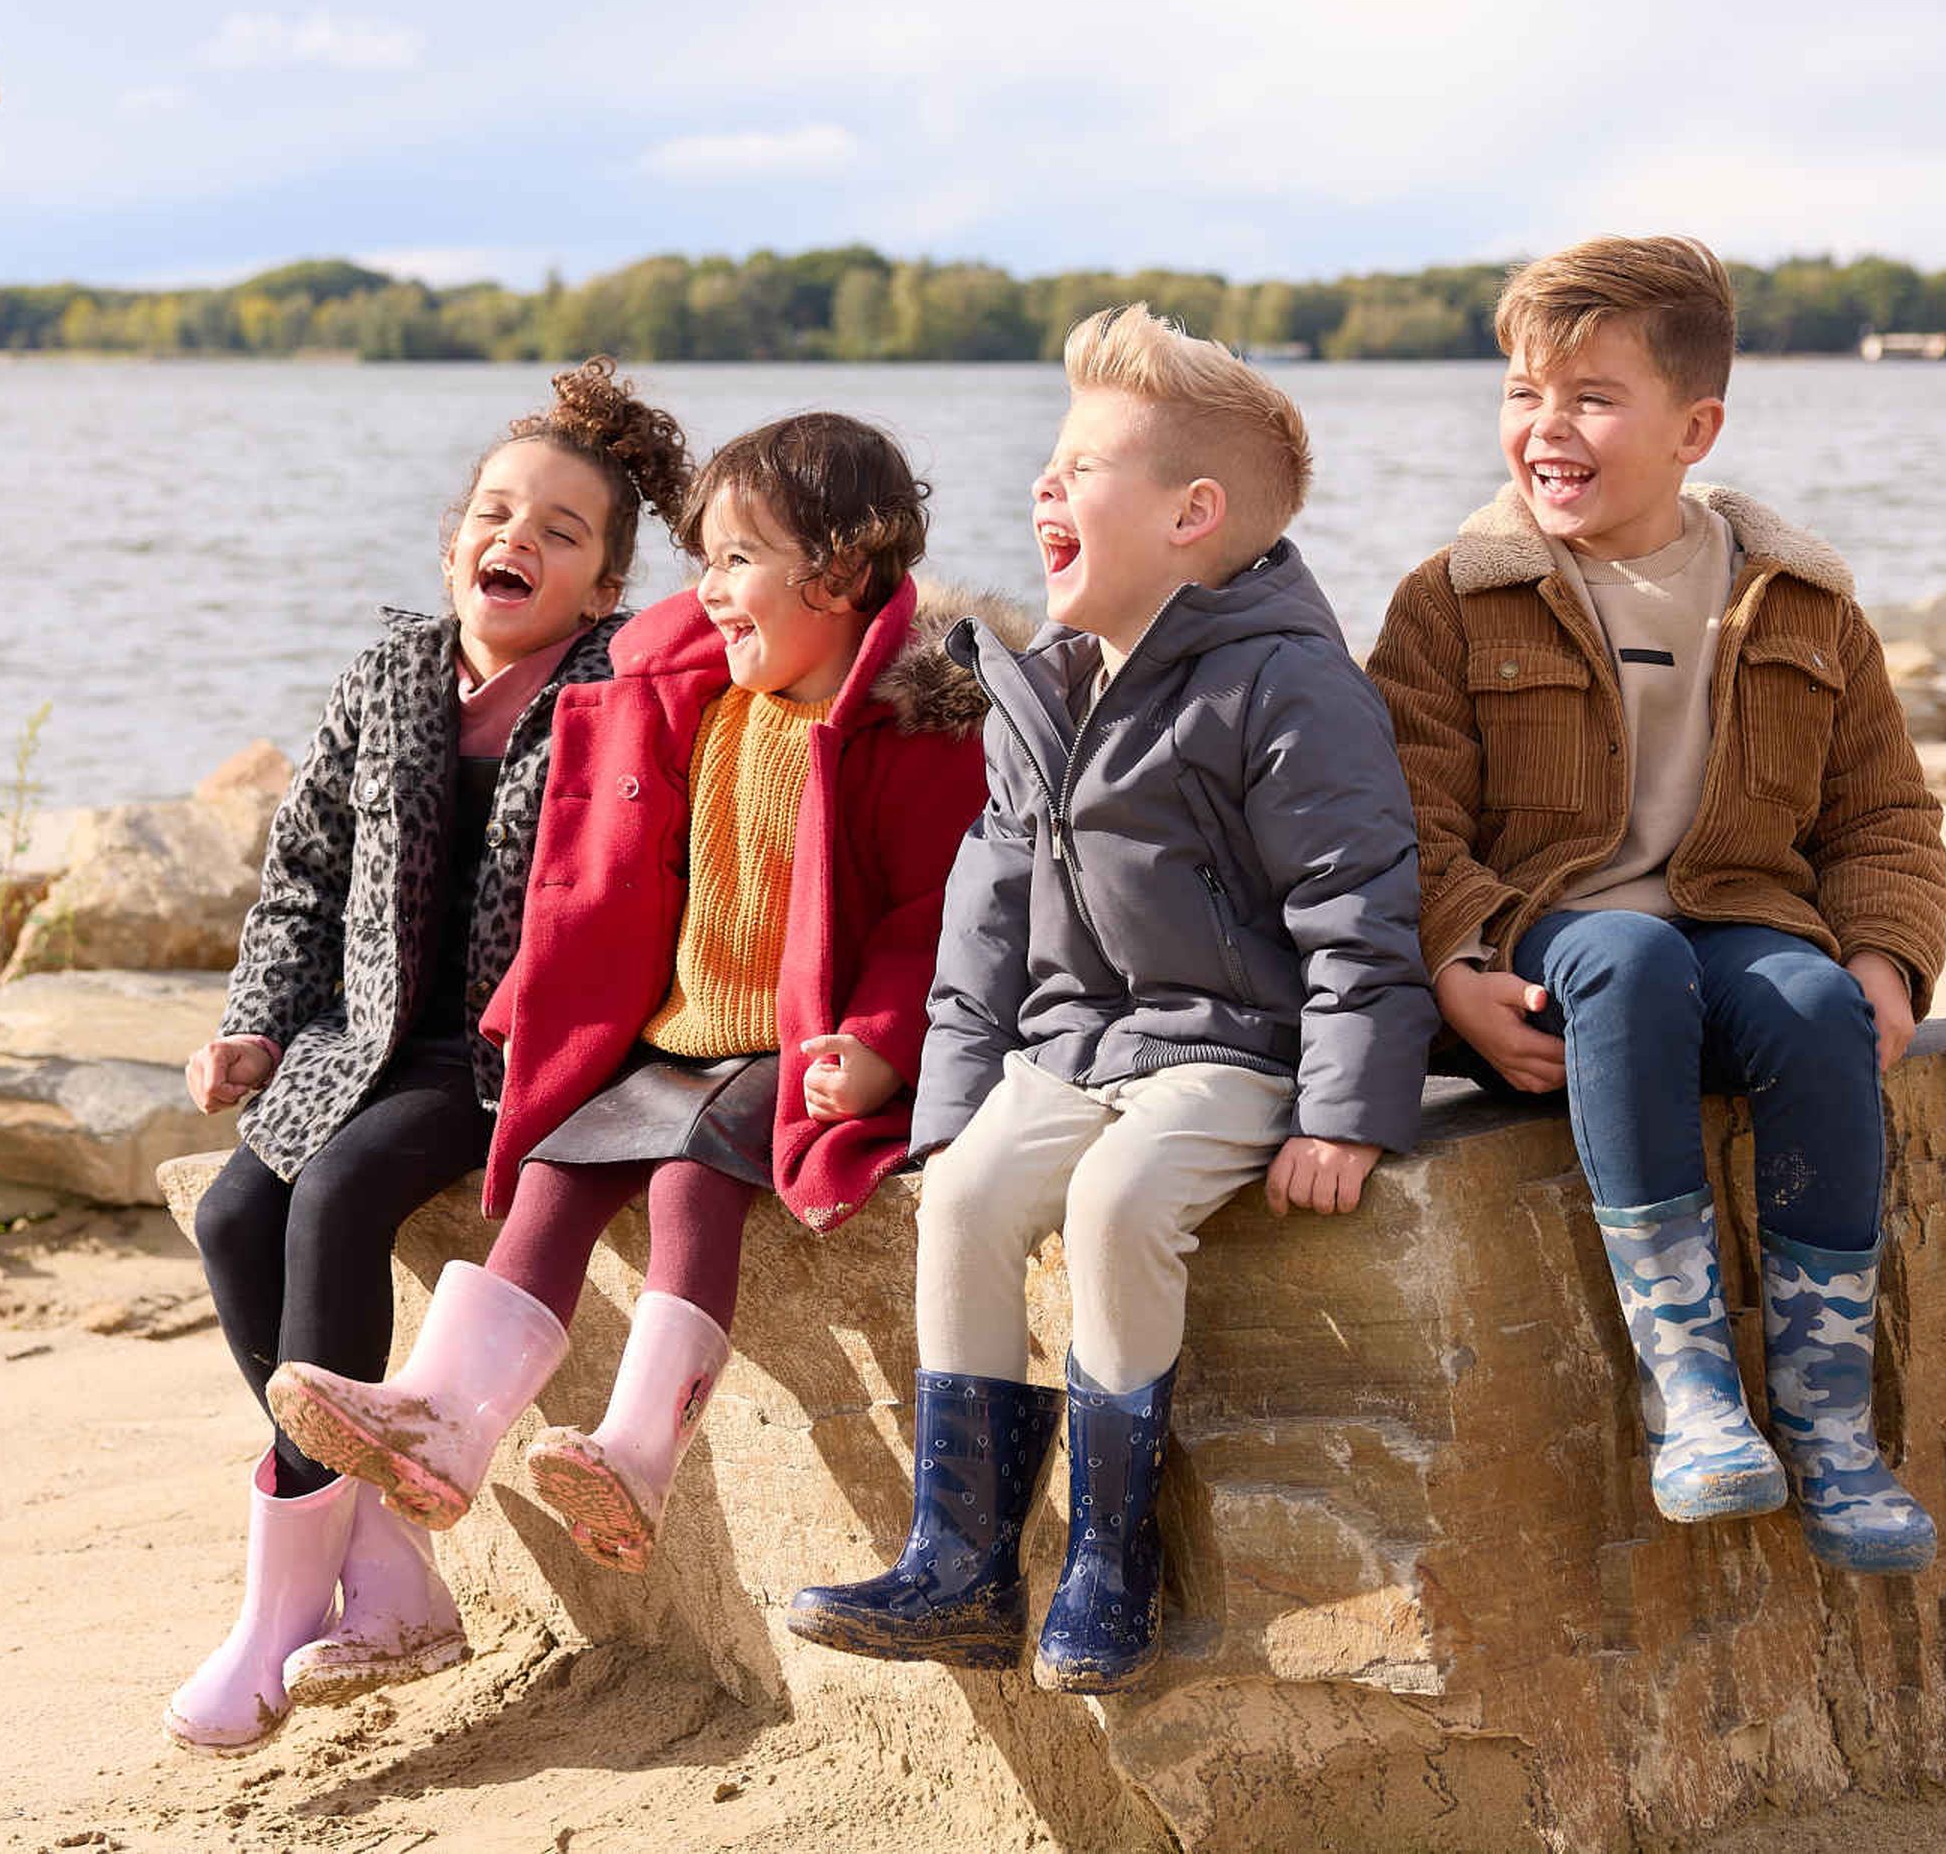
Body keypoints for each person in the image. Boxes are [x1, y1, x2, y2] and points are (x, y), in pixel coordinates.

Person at [788, 305, 1435, 1694]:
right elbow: (988, 921)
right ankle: (956, 1558)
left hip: (1234, 1046)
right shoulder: (1047, 682)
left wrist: (1342, 1109)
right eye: (1050, 462)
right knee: (964, 1196)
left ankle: (1106, 1553)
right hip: (1076, 1043)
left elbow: (1360, 904)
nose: (1044, 488)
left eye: (1083, 466)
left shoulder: (1290, 683)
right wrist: (950, 1109)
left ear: (1195, 515)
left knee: (1117, 1202)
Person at [266, 413, 990, 1605]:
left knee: (693, 1177)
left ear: (848, 576)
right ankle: (445, 1422)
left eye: (740, 561)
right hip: (677, 1027)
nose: (708, 590)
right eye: (702, 560)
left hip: (791, 1043)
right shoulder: (697, 697)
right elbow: (596, 886)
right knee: (556, 1167)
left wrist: (873, 1053)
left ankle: (640, 1455)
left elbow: (935, 925)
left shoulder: (909, 734)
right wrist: (530, 1004)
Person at [1361, 235, 1946, 1573]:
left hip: (1739, 926)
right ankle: (1690, 1388)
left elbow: (1884, 815)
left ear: (1696, 428)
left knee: (1811, 1002)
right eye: (1523, 393)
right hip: (1553, 951)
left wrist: (1887, 956)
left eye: (1591, 397)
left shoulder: (1800, 599)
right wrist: (1456, 965)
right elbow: (1409, 824)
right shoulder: (1454, 604)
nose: (1546, 428)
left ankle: (1827, 1413)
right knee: (1626, 951)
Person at [167, 362, 693, 1754]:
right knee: (235, 1211)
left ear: (601, 588)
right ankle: (388, 1569)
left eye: (562, 530)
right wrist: (255, 1019)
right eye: (495, 511)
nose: (516, 538)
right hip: (361, 1033)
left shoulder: (611, 689)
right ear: (453, 537)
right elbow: (301, 877)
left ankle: (278, 1613)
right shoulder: (389, 673)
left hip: (498, 1052)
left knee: (338, 1199)